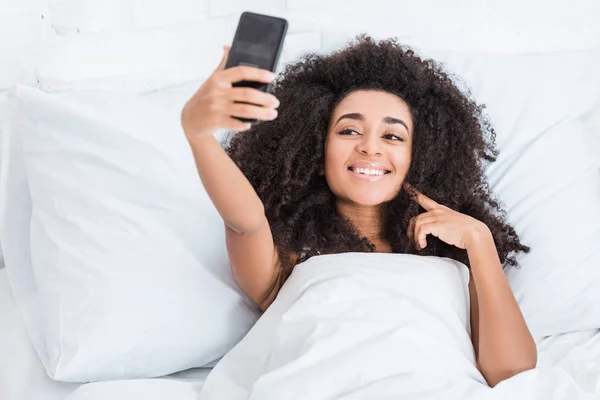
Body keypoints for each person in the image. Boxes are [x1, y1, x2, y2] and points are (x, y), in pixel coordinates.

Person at [180, 35, 537, 387]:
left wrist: (480, 241)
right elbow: (245, 219)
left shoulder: (460, 262)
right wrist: (198, 134)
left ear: (420, 159)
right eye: (349, 130)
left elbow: (512, 375)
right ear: (317, 152)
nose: (370, 147)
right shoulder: (289, 258)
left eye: (392, 137)